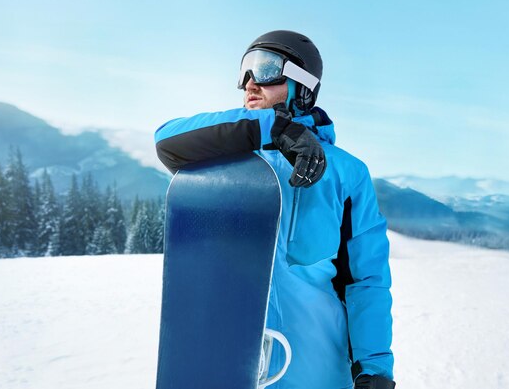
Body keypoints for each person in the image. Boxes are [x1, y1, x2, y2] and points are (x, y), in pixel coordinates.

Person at [155, 30, 395, 389]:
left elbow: (367, 281)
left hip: (316, 370)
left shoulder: (348, 173)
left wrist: (374, 368)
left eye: (266, 69)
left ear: (304, 87)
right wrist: (274, 128)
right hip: (229, 363)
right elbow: (165, 140)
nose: (250, 83)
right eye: (245, 70)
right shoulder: (226, 156)